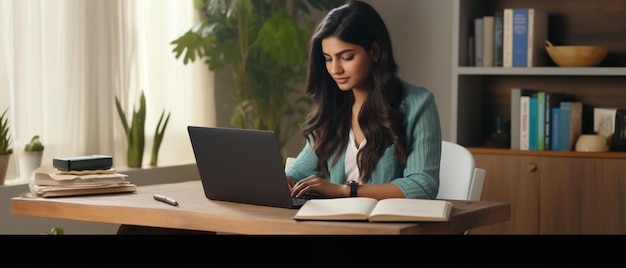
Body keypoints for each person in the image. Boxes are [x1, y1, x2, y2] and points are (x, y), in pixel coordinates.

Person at [285, 0, 442, 200]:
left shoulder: (418, 104)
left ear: (374, 52)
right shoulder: (333, 107)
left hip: (388, 226)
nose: (335, 69)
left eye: (347, 57)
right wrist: (286, 180)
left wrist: (345, 190)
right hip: (334, 225)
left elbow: (423, 185)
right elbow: (299, 172)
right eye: (328, 58)